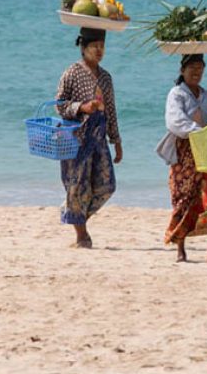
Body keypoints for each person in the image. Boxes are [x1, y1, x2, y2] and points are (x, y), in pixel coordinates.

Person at [156, 54, 207, 263]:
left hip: (205, 150)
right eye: (192, 68)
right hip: (184, 152)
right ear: (182, 70)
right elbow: (175, 121)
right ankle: (181, 249)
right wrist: (199, 131)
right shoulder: (177, 94)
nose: (196, 72)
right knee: (183, 198)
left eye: (200, 68)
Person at [55, 27, 123, 248]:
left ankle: (76, 215)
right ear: (83, 47)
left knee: (107, 186)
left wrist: (117, 140)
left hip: (99, 139)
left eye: (102, 46)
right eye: (95, 46)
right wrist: (82, 107)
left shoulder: (106, 77)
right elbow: (59, 104)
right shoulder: (72, 73)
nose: (99, 50)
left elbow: (111, 109)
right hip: (76, 138)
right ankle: (81, 235)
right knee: (77, 186)